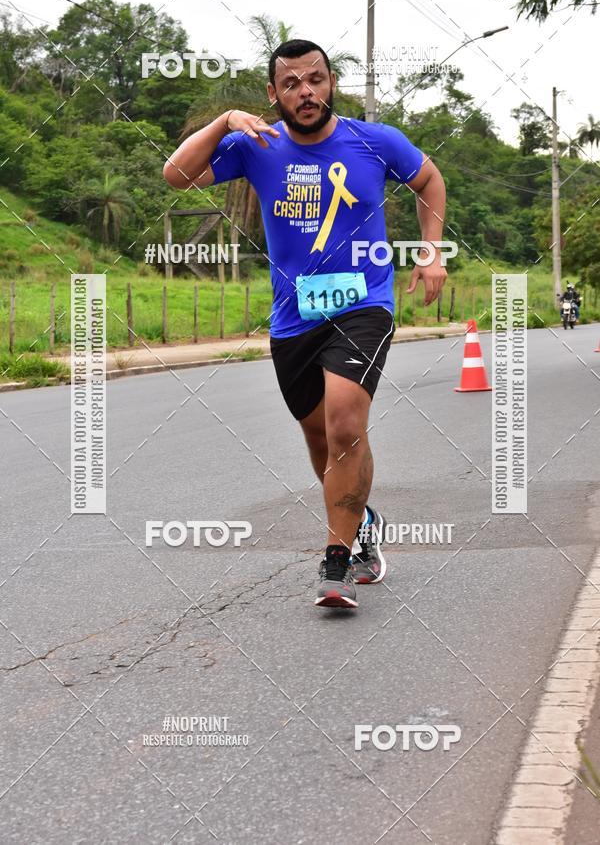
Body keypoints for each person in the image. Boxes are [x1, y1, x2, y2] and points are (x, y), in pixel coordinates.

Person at [163, 39, 447, 609]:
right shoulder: (255, 146)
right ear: (273, 94)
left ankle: (336, 562)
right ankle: (362, 522)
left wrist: (431, 252)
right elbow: (177, 175)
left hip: (364, 302)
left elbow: (429, 181)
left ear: (331, 81)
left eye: (314, 79)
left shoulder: (375, 140)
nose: (305, 91)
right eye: (291, 84)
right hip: (294, 318)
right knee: (322, 441)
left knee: (345, 423)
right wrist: (223, 122)